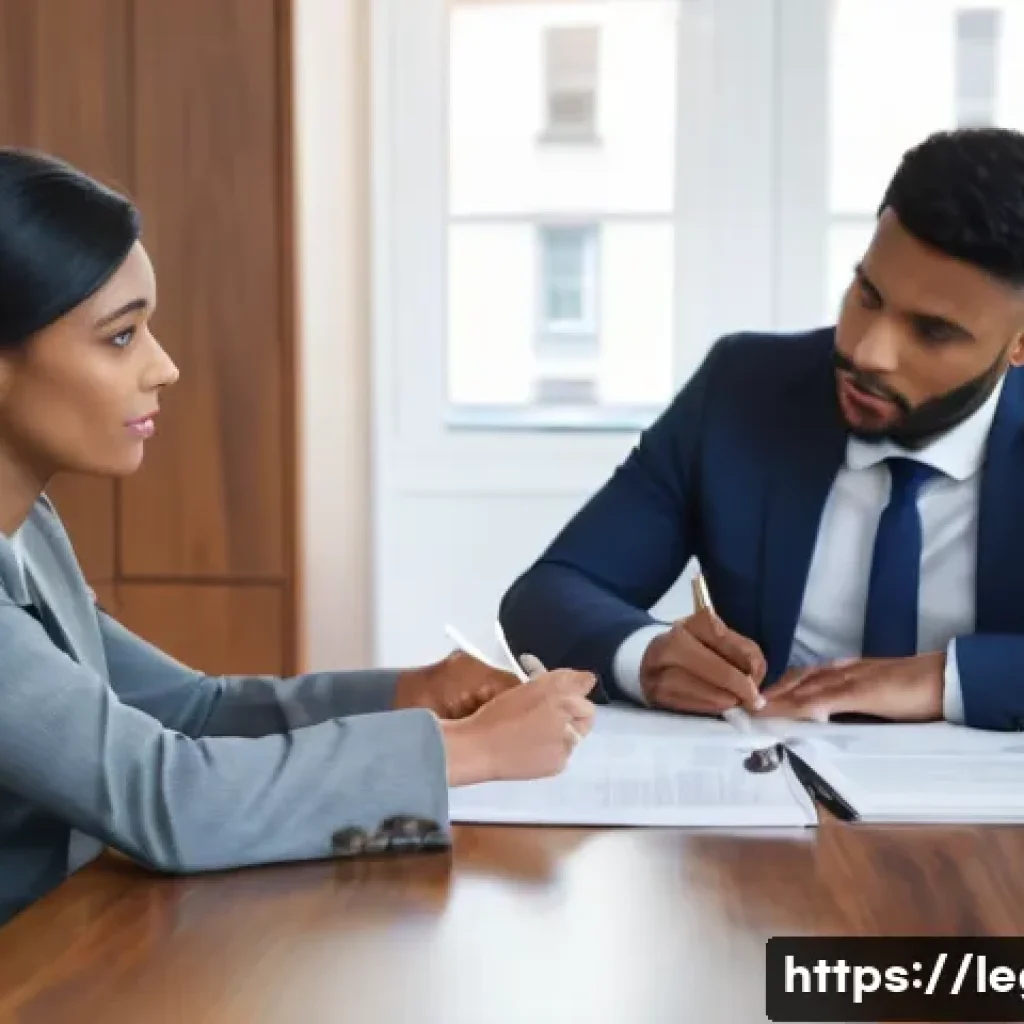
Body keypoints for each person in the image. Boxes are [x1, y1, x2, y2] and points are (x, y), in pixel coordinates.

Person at [0, 148, 596, 927]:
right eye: (121, 338)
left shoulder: (28, 529)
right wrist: (469, 751)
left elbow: (192, 711)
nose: (165, 367)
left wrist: (408, 695)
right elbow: (166, 795)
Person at [500, 127, 1024, 733]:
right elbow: (549, 592)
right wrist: (646, 658)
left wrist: (939, 679)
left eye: (932, 332)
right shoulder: (744, 390)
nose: (868, 351)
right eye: (868, 294)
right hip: (769, 792)